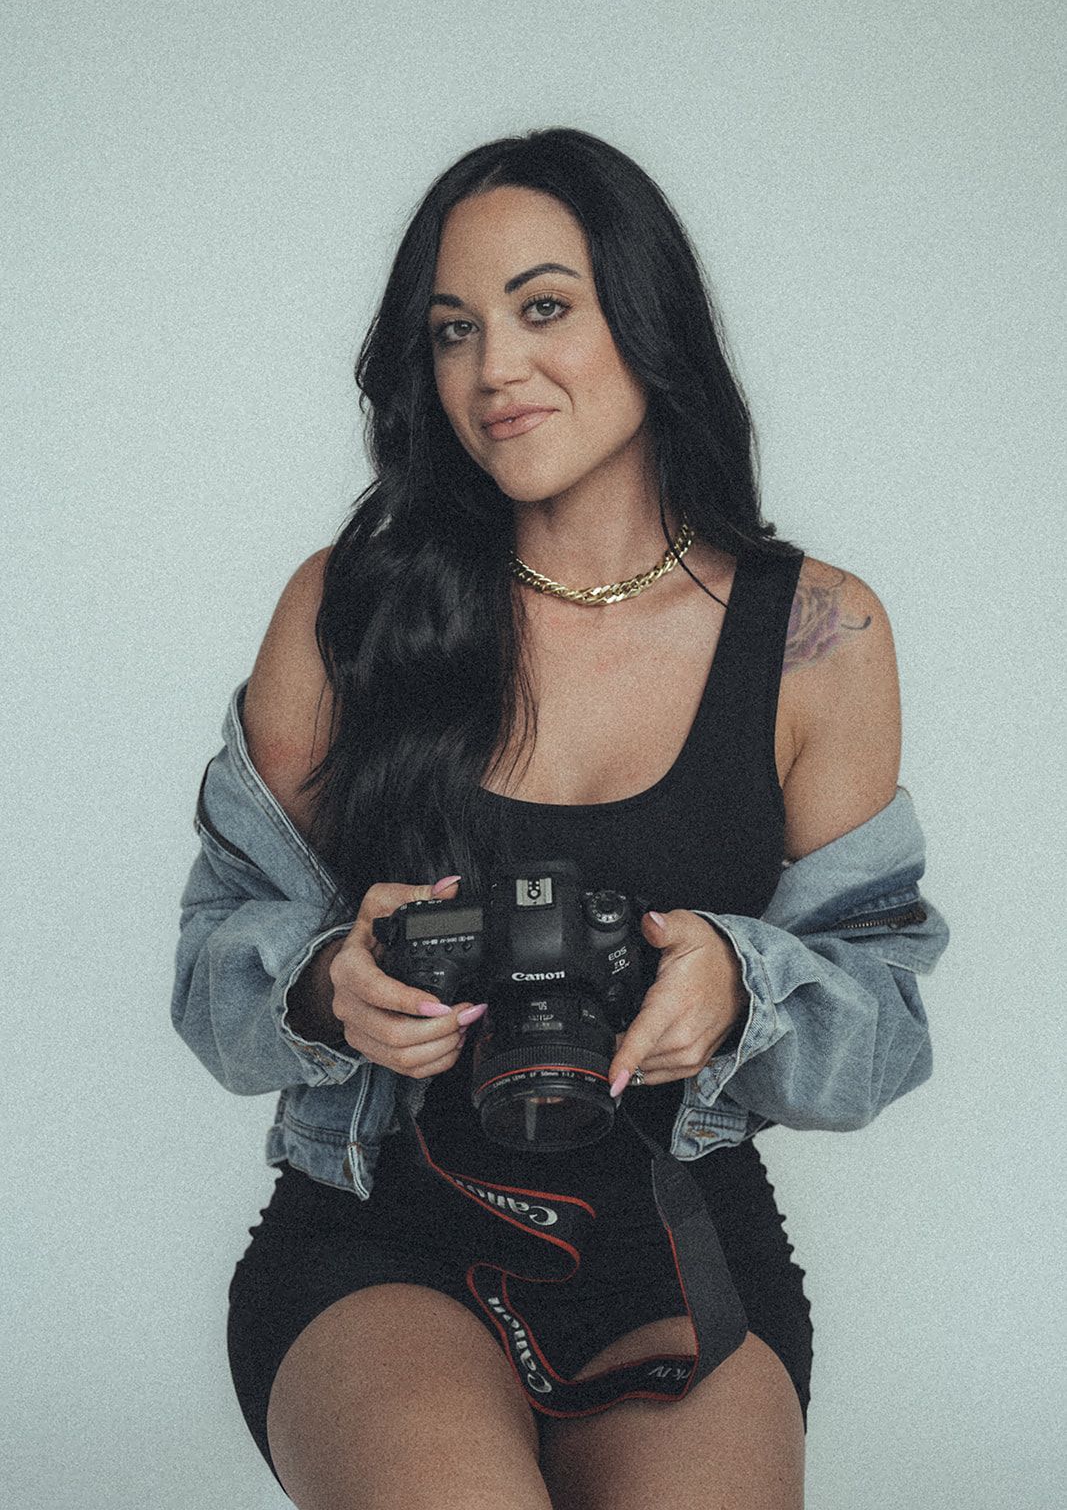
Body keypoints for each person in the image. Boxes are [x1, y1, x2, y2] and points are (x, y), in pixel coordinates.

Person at [173, 127, 948, 1509]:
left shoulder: (816, 635)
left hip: (676, 1239)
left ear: (647, 321)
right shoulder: (348, 609)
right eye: (453, 330)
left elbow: (882, 1032)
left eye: (544, 308)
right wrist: (326, 982)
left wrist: (742, 986)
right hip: (378, 1234)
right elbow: (207, 967)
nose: (493, 371)